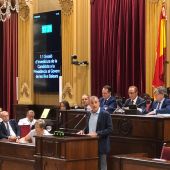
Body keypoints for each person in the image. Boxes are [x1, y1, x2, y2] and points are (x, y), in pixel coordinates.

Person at [78, 96, 113, 170]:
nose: (94, 105)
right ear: (89, 105)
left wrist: (97, 133)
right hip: (90, 143)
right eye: (92, 103)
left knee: (102, 165)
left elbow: (110, 129)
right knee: (91, 164)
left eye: (96, 102)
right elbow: (88, 127)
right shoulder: (89, 114)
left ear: (99, 103)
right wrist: (83, 131)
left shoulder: (105, 114)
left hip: (101, 143)